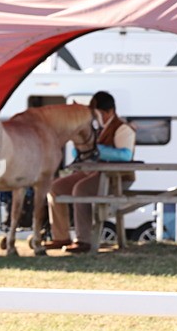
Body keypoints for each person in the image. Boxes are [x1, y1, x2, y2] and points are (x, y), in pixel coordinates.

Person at [44, 91, 137, 253]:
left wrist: (96, 149)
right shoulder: (98, 129)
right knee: (55, 187)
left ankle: (84, 240)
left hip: (118, 178)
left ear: (109, 112)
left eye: (98, 113)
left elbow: (125, 155)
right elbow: (81, 153)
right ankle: (60, 236)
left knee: (81, 190)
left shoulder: (123, 128)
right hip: (95, 173)